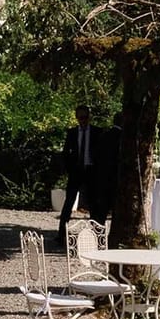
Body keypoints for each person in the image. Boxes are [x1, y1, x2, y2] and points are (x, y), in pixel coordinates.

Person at [57, 104, 104, 243]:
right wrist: (69, 168)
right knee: (69, 202)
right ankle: (61, 234)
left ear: (89, 117)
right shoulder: (72, 133)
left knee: (93, 203)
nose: (83, 120)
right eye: (80, 118)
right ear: (77, 118)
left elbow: (101, 154)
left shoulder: (97, 132)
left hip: (91, 170)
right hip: (76, 170)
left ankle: (97, 234)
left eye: (85, 117)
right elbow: (66, 152)